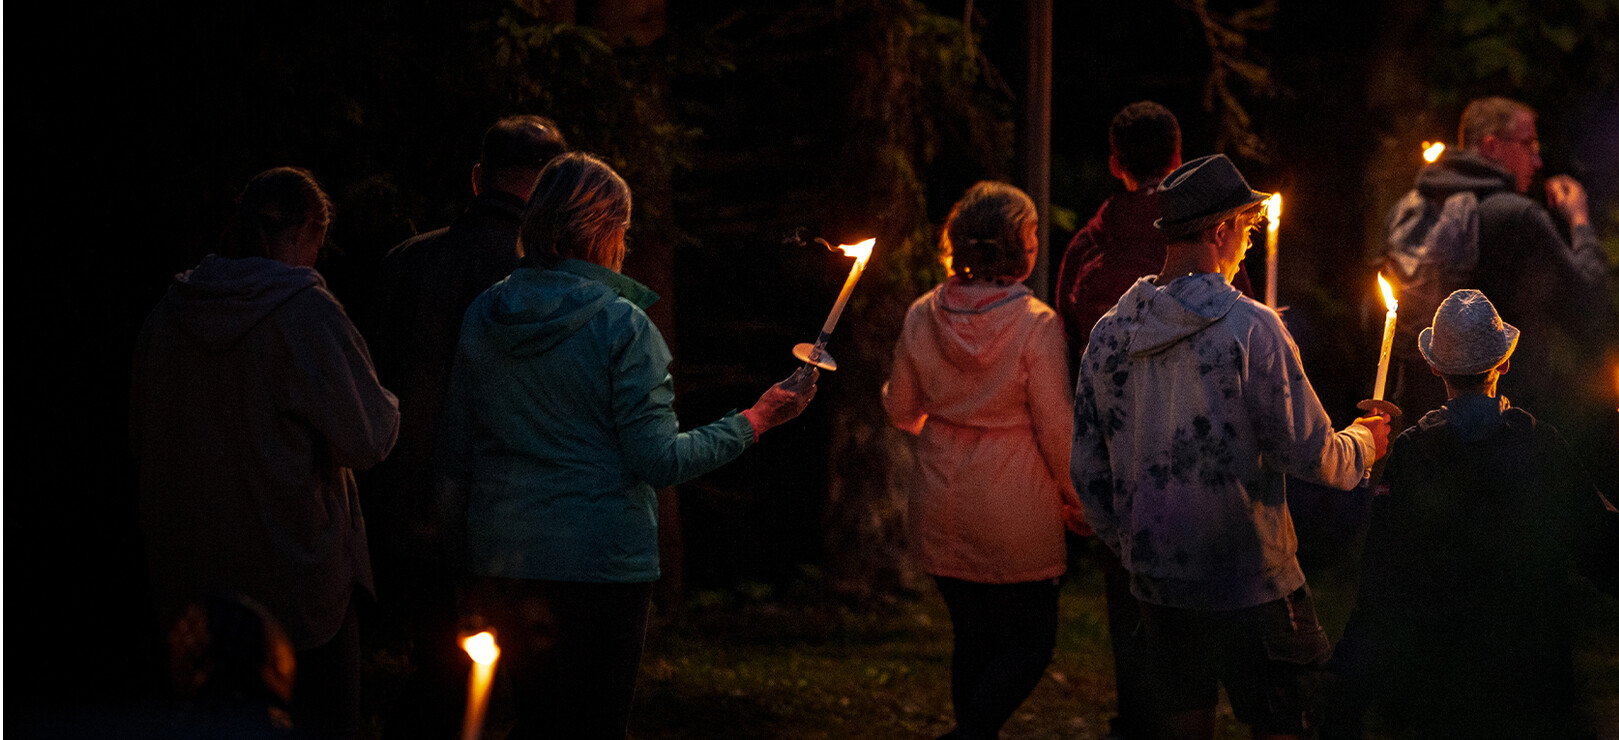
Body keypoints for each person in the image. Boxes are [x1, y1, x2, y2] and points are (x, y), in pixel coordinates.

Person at [443, 152, 817, 738]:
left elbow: (456, 449)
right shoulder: (623, 326)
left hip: (504, 555)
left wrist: (458, 556)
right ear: (605, 229)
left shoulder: (484, 313)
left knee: (537, 724)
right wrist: (757, 419)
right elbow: (657, 459)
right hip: (598, 566)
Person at [1071, 153, 1391, 740]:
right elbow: (1313, 452)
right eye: (1246, 229)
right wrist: (1365, 445)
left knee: (1182, 722)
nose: (1248, 244)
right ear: (1221, 230)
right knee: (1291, 720)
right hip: (1251, 579)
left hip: (1158, 583)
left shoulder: (1111, 333)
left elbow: (1089, 471)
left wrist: (1137, 545)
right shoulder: (1250, 329)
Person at [133, 166, 399, 740]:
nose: (315, 263)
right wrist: (391, 401)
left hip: (196, 590)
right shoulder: (304, 312)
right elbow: (369, 437)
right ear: (306, 228)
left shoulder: (168, 315)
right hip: (298, 592)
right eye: (317, 247)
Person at [1323, 289, 1619, 739]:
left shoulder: (1414, 453)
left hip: (1440, 686)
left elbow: (1382, 576)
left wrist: (1347, 677)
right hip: (1531, 679)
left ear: (1434, 367)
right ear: (1505, 363)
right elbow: (1602, 551)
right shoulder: (1539, 444)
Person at [358, 114, 566, 739]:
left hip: (407, 503)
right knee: (523, 689)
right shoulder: (552, 280)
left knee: (441, 671)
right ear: (555, 189)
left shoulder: (407, 263)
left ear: (479, 179)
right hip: (508, 511)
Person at [1049, 102, 1244, 738]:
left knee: (1131, 600)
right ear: (1179, 152)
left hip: (1122, 446)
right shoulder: (1201, 239)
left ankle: (1140, 718)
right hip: (1204, 445)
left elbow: (1069, 345)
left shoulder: (1089, 248)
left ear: (1113, 163)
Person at [885, 181, 1090, 740]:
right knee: (1032, 640)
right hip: (1013, 503)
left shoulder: (922, 314)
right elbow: (1055, 427)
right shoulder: (1036, 324)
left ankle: (973, 733)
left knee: (971, 637)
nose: (1036, 246)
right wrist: (1079, 500)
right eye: (1030, 236)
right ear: (1013, 247)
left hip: (941, 497)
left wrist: (946, 405)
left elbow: (902, 410)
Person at [1381, 96, 1615, 432]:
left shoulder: (1410, 208)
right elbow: (1588, 301)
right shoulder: (1517, 216)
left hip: (1424, 417)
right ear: (1492, 146)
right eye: (1528, 144)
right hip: (1503, 422)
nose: (1537, 161)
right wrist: (1580, 221)